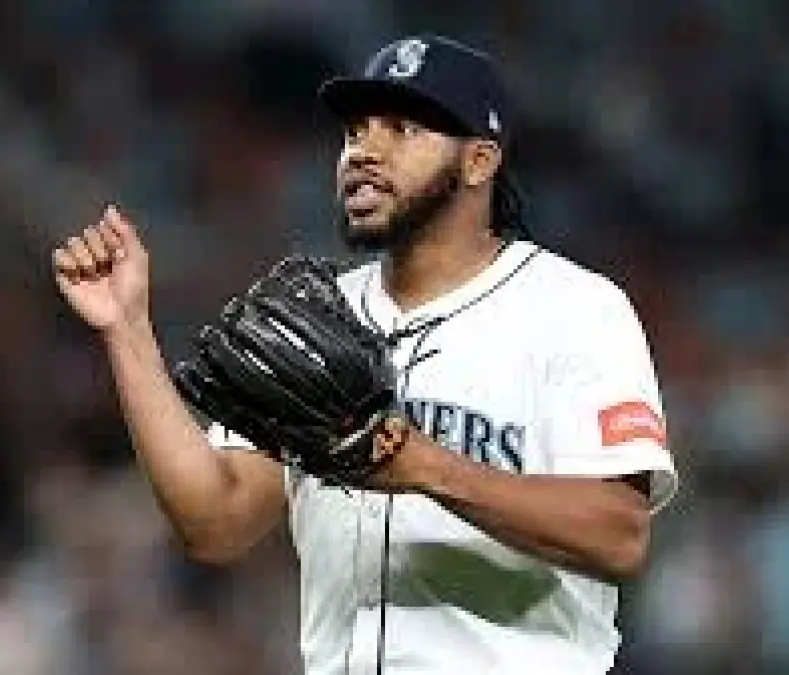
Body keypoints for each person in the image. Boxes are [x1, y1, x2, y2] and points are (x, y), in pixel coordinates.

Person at [52, 34, 678, 675]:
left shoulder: (573, 309)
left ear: (479, 161)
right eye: (355, 132)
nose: (364, 151)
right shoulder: (316, 320)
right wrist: (128, 329)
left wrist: (421, 464)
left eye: (402, 130)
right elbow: (216, 523)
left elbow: (620, 534)